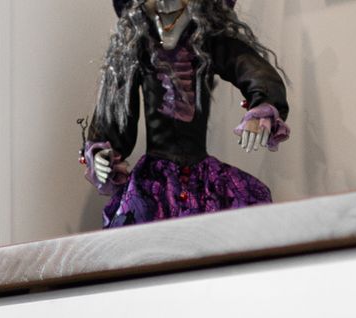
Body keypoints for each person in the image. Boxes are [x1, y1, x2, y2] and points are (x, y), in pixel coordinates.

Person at [82, 0, 293, 227]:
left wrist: (260, 109)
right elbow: (117, 105)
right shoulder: (138, 39)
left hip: (202, 174)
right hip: (152, 183)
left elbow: (252, 69)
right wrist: (104, 151)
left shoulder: (205, 34)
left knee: (242, 218)